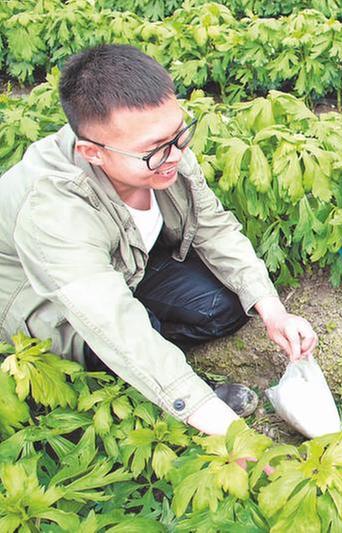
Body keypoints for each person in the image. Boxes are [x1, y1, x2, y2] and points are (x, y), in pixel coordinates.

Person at [0, 44, 317, 438]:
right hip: (55, 308)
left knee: (225, 308)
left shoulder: (161, 149)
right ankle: (161, 389)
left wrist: (272, 311)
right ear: (92, 152)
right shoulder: (53, 208)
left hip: (131, 265)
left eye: (178, 135)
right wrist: (219, 424)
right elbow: (110, 319)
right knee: (132, 333)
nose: (174, 156)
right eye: (153, 150)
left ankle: (157, 363)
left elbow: (213, 226)